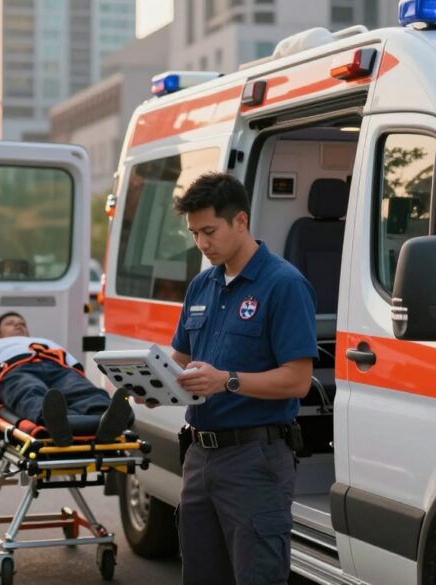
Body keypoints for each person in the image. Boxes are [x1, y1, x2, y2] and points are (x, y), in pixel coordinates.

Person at [169, 173, 317, 585]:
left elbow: (297, 381)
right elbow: (180, 358)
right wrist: (148, 381)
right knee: (201, 575)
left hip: (255, 460)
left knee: (257, 576)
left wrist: (226, 381)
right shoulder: (202, 285)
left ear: (241, 221)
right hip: (199, 457)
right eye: (195, 233)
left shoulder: (283, 285)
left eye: (210, 231)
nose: (202, 243)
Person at [0, 311, 132, 446]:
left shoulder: (43, 341)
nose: (18, 325)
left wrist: (78, 381)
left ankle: (106, 416)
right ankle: (60, 422)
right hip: (13, 370)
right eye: (11, 323)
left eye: (22, 323)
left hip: (57, 368)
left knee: (82, 390)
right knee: (29, 391)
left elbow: (76, 371)